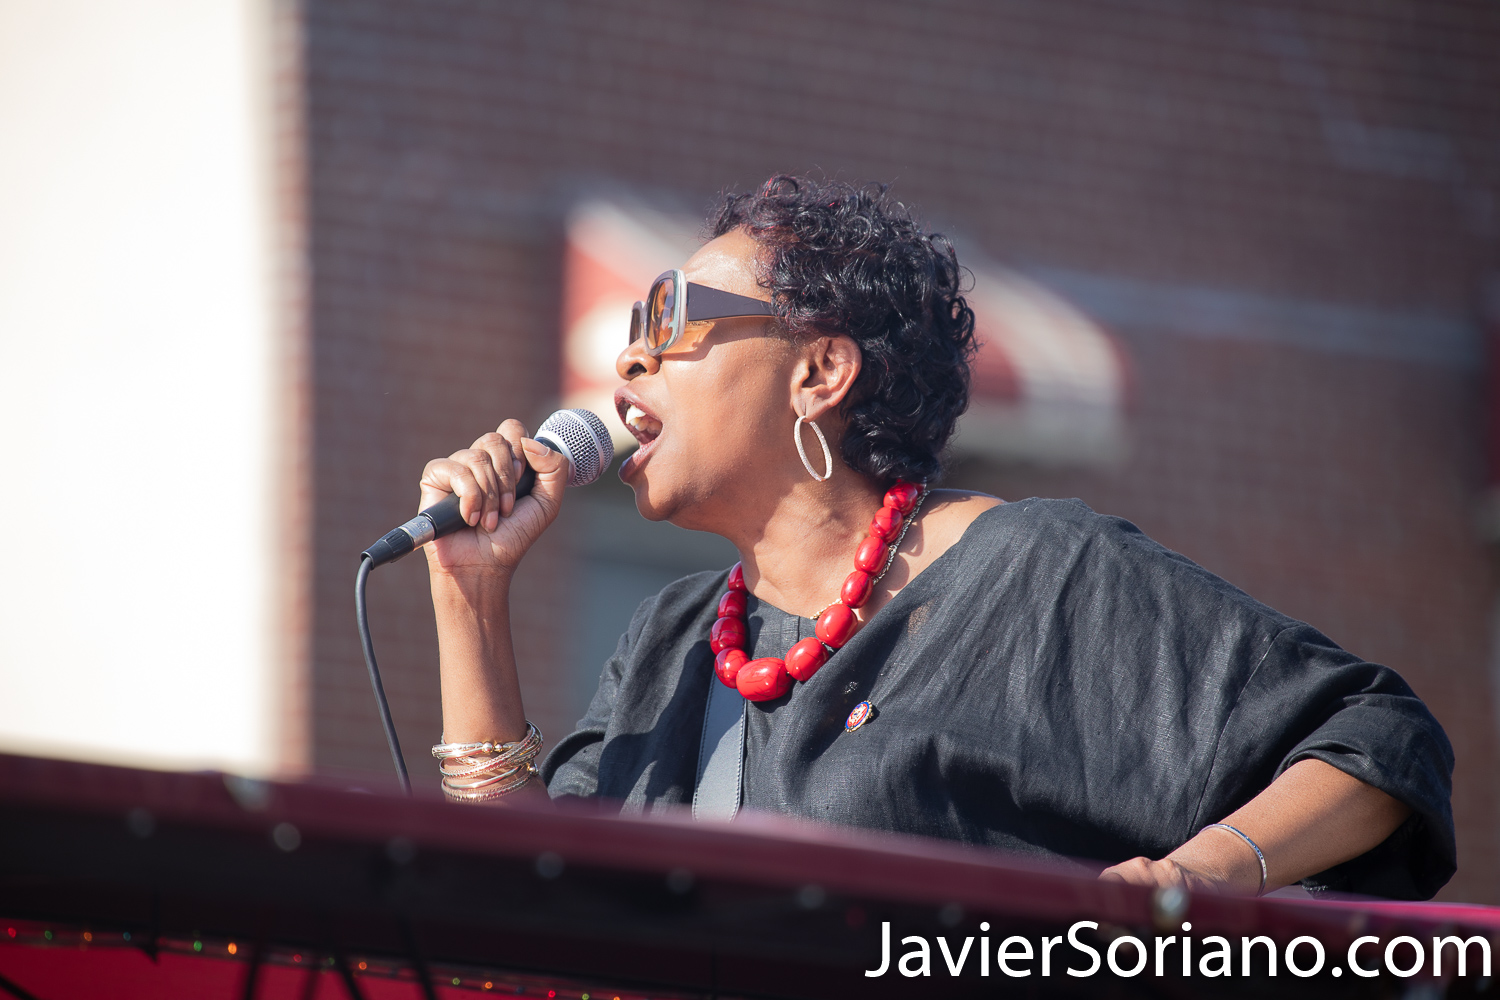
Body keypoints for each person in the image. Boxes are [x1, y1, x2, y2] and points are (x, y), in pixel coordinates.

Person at [417, 175, 1454, 899]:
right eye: (631, 337)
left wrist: (1188, 886)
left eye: (673, 319)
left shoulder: (1037, 577)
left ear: (819, 373)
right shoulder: (672, 639)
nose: (632, 363)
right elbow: (538, 904)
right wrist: (470, 596)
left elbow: (1377, 738)